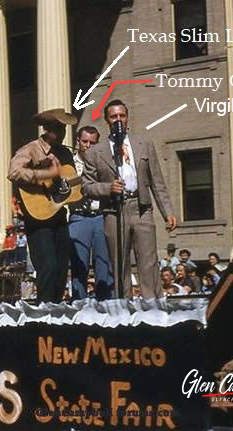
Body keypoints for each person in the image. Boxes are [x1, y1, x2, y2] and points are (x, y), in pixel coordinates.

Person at [82, 99, 177, 299]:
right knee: (120, 263)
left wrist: (167, 212)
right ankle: (124, 308)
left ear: (127, 117)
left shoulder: (144, 144)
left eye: (122, 116)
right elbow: (87, 186)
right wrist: (108, 188)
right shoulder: (95, 152)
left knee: (148, 262)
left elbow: (156, 181)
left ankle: (153, 307)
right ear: (107, 120)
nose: (118, 120)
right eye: (113, 116)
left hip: (141, 208)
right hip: (114, 212)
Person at [8, 108, 77, 303]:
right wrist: (46, 175)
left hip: (58, 215)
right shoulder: (31, 149)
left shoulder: (65, 152)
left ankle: (55, 308)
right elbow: (14, 172)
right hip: (37, 219)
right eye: (57, 128)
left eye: (63, 128)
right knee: (48, 265)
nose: (62, 133)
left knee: (62, 266)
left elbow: (70, 183)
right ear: (46, 129)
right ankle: (44, 313)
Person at [67, 125, 113, 301]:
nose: (88, 146)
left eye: (92, 143)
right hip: (78, 216)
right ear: (77, 141)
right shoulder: (69, 164)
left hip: (101, 215)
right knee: (79, 266)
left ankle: (105, 305)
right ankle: (79, 305)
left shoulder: (103, 161)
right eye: (84, 141)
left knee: (103, 264)